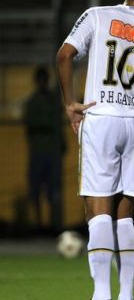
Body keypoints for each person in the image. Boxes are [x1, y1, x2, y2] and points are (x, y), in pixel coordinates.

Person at [56, 0, 134, 299]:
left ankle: (102, 293)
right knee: (124, 213)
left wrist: (70, 104)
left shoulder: (97, 14)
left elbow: (64, 56)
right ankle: (126, 293)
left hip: (101, 115)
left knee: (98, 209)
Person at [24, 66, 65, 234]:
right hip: (38, 152)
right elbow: (30, 126)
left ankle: (54, 225)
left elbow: (59, 125)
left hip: (52, 152)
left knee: (54, 189)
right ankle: (39, 225)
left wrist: (61, 143)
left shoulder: (53, 101)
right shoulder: (32, 102)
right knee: (36, 190)